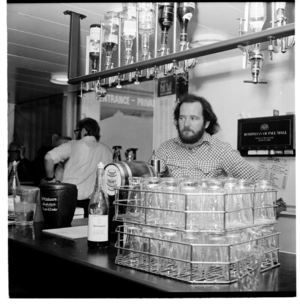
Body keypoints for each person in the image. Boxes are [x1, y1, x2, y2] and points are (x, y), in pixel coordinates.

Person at [155, 93, 262, 180]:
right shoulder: (165, 149)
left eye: (193, 118)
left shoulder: (222, 151)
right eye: (182, 118)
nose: (186, 124)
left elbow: (257, 182)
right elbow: (150, 179)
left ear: (206, 123)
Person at [43, 118, 113, 217]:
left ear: (84, 130)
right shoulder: (107, 151)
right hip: (94, 203)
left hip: (69, 200)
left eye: (77, 131)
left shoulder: (73, 145)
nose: (75, 135)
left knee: (66, 230)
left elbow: (48, 157)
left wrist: (50, 179)